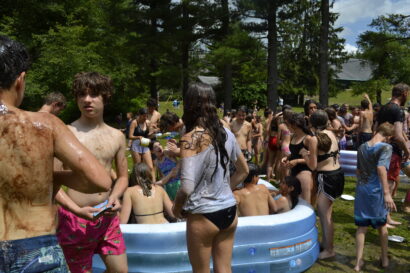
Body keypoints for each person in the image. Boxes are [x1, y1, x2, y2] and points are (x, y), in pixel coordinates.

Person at [0, 36, 111, 272]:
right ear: (20, 80)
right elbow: (100, 179)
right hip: (34, 248)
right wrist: (51, 176)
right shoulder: (46, 124)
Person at [55, 72, 129, 273]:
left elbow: (122, 176)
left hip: (107, 217)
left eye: (94, 94)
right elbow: (50, 180)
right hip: (74, 218)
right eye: (82, 94)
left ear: (105, 97)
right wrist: (75, 209)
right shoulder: (65, 134)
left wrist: (115, 196)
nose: (87, 99)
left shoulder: (117, 136)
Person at [172, 83, 249, 273]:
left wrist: (176, 207)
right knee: (224, 269)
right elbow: (243, 170)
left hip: (203, 215)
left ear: (189, 104)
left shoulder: (191, 138)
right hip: (229, 211)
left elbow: (187, 187)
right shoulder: (227, 134)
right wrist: (223, 190)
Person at [301, 110, 345, 259]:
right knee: (327, 213)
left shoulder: (315, 139)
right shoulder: (331, 134)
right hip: (338, 173)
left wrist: (304, 154)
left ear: (312, 123)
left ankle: (329, 250)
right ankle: (326, 244)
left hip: (326, 177)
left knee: (324, 215)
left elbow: (313, 166)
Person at [353, 122, 396, 271]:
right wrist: (387, 193)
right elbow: (381, 168)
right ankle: (384, 259)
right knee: (382, 226)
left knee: (361, 227)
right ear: (388, 136)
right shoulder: (386, 147)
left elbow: (358, 171)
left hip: (362, 190)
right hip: (376, 192)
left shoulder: (362, 147)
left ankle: (358, 263)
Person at [375, 83, 410, 226]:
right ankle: (384, 219)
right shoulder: (398, 111)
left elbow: (375, 129)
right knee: (388, 184)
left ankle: (385, 217)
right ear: (404, 94)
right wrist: (407, 151)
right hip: (392, 151)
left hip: (380, 147)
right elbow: (398, 135)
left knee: (384, 183)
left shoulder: (383, 108)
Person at [282, 113, 314, 204]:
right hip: (293, 170)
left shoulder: (308, 139)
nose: (287, 127)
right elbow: (294, 153)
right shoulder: (293, 136)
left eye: (288, 125)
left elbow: (313, 160)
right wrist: (286, 158)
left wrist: (297, 161)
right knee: (293, 198)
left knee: (304, 201)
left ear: (295, 125)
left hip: (304, 172)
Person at [129, 108, 155, 181]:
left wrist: (153, 132)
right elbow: (130, 136)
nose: (145, 118)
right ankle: (137, 183)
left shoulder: (147, 122)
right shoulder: (134, 122)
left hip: (144, 143)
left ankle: (154, 184)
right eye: (144, 116)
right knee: (138, 167)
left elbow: (149, 135)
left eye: (146, 116)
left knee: (150, 167)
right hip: (136, 144)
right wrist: (138, 137)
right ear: (139, 115)